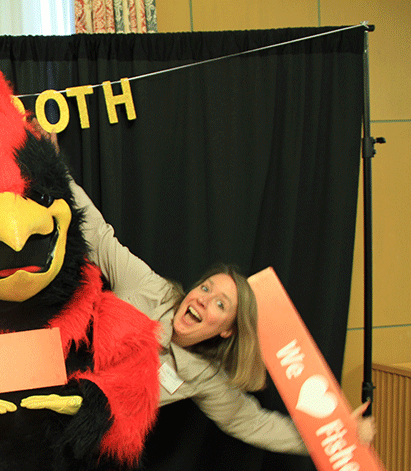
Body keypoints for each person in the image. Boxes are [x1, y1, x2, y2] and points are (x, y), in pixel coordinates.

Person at [71, 179, 375, 451]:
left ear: (228, 330)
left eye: (220, 304)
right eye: (206, 288)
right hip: (47, 374)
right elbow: (98, 235)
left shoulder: (205, 376)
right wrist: (55, 165)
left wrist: (337, 434)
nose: (204, 300)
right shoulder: (151, 289)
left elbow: (256, 425)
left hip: (75, 436)